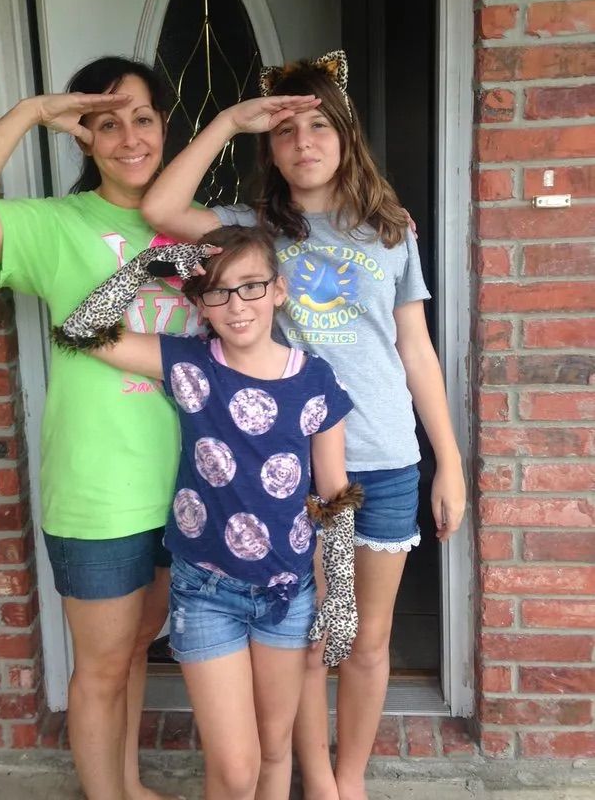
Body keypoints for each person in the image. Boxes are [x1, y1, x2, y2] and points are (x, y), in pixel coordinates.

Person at [0, 56, 316, 800]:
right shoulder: (55, 225)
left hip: (194, 493)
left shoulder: (201, 232)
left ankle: (127, 787)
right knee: (102, 666)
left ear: (165, 127)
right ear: (84, 136)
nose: (130, 138)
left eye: (143, 118)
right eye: (107, 123)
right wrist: (31, 112)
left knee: (137, 647)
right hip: (100, 489)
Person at [138, 50, 467, 800]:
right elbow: (160, 209)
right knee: (311, 637)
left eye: (320, 125)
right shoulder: (253, 229)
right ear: (270, 148)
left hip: (383, 461)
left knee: (366, 639)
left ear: (347, 135)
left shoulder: (390, 230)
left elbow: (416, 349)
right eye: (285, 131)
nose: (304, 142)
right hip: (288, 469)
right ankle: (315, 777)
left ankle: (348, 779)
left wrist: (447, 461)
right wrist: (230, 119)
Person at [59, 223, 357, 800]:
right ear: (199, 303)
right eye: (218, 291)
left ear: (279, 290)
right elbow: (81, 330)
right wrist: (151, 265)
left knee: (275, 750)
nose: (236, 305)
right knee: (237, 766)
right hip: (206, 591)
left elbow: (334, 496)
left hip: (286, 593)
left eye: (251, 286)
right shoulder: (187, 362)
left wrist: (341, 595)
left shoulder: (316, 378)